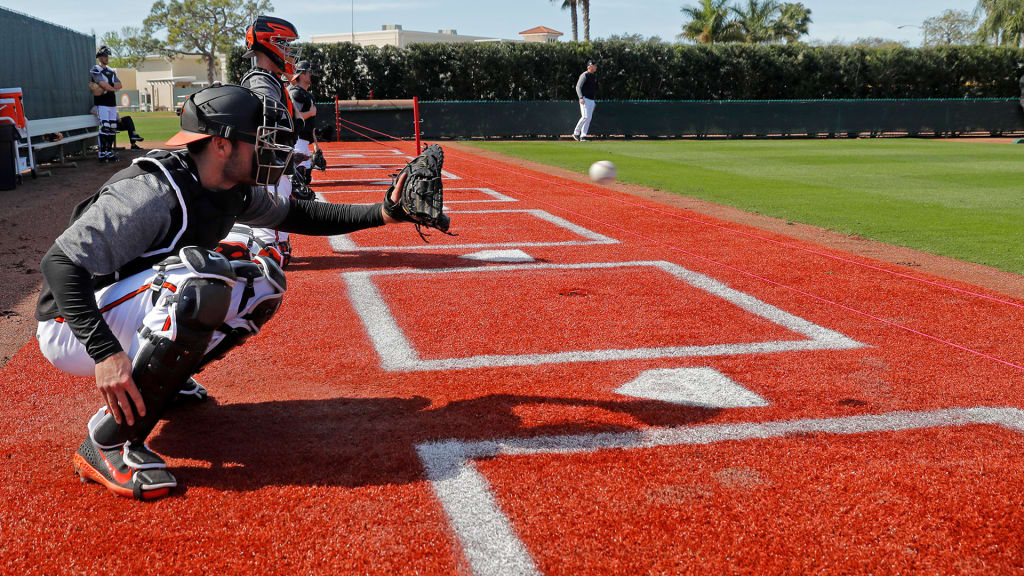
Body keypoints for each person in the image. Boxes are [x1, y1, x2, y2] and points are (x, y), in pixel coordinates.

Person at [36, 84, 423, 500]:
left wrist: (385, 213)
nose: (269, 149)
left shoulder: (227, 185)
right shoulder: (151, 192)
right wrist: (106, 354)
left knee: (262, 280)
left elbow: (298, 213)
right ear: (221, 144)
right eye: (259, 139)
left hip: (122, 304)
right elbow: (59, 265)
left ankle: (163, 380)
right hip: (71, 323)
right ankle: (107, 443)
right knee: (200, 283)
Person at [287, 60, 319, 201]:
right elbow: (294, 117)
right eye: (309, 72)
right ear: (302, 75)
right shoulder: (296, 93)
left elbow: (308, 123)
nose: (311, 75)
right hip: (297, 139)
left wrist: (316, 146)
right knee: (297, 179)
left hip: (304, 141)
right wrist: (311, 113)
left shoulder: (305, 94)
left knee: (305, 178)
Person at [91, 46, 123, 161]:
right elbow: (101, 83)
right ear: (99, 57)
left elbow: (120, 85)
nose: (106, 58)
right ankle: (102, 153)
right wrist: (111, 87)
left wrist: (109, 87)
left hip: (112, 103)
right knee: (105, 126)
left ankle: (109, 152)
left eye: (107, 56)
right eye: (104, 56)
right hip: (102, 103)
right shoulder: (95, 69)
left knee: (112, 128)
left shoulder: (110, 70)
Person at [572, 61, 598, 142]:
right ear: (589, 66)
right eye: (594, 65)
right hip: (584, 99)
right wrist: (580, 97)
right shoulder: (585, 75)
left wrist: (593, 101)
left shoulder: (594, 76)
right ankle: (576, 133)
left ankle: (583, 136)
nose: (596, 67)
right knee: (585, 117)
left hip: (591, 100)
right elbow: (578, 87)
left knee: (588, 118)